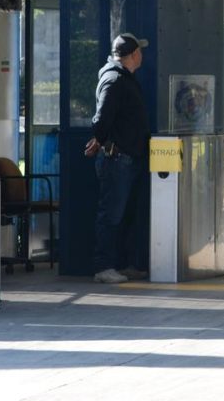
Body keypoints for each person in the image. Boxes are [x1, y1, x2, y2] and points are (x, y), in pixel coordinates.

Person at [84, 33, 151, 284]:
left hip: (130, 158)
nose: (142, 55)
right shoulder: (114, 80)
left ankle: (124, 264)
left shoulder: (125, 78)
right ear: (132, 54)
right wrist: (100, 138)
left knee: (126, 215)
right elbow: (101, 118)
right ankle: (104, 266)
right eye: (139, 51)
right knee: (111, 215)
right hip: (117, 159)